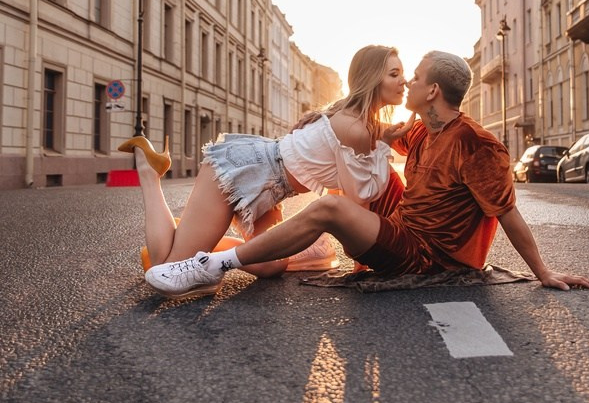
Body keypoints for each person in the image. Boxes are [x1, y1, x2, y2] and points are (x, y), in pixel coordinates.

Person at [145, 50, 589, 297]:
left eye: (414, 78)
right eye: (402, 76)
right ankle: (194, 250)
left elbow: (508, 212)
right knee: (280, 253)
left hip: (425, 254)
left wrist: (544, 271)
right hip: (396, 231)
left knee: (329, 207)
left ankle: (209, 263)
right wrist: (323, 114)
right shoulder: (420, 131)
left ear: (433, 90)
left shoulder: (477, 143)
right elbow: (373, 133)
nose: (408, 84)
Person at [121, 44, 412, 283]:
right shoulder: (355, 128)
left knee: (271, 265)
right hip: (241, 172)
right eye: (394, 74)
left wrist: (385, 137)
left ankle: (184, 235)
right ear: (373, 77)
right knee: (164, 266)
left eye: (404, 74)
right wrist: (367, 258)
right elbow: (357, 201)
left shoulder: (357, 121)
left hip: (267, 184)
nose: (404, 81)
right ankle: (150, 173)